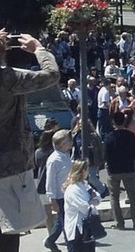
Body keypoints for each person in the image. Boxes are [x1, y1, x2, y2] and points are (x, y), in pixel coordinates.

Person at [0, 31, 60, 252]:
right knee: (10, 231)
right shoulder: (9, 78)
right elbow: (51, 75)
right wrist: (39, 49)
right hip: (10, 165)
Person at [103, 112, 135, 230]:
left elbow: (105, 154)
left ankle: (119, 222)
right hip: (128, 168)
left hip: (113, 170)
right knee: (132, 196)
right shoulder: (131, 136)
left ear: (113, 122)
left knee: (114, 197)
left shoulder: (109, 137)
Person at [44, 129, 73, 252]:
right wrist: (52, 199)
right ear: (62, 144)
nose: (71, 143)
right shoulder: (54, 160)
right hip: (60, 196)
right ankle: (71, 246)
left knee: (62, 222)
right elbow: (50, 181)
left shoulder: (66, 156)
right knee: (65, 222)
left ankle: (50, 241)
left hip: (68, 194)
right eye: (68, 141)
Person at [63, 160, 101, 252]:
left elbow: (98, 197)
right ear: (83, 171)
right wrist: (92, 202)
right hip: (77, 229)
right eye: (87, 170)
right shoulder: (72, 189)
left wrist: (92, 201)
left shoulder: (86, 185)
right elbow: (84, 207)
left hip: (88, 227)